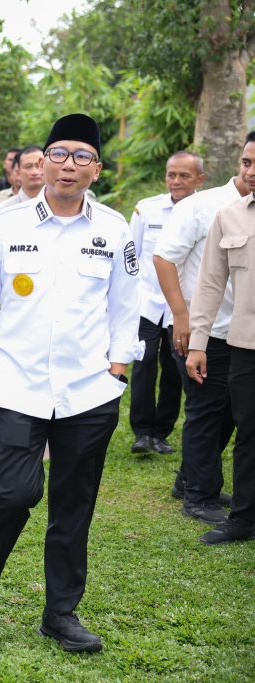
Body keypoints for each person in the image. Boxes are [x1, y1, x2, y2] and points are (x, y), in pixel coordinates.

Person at [0, 114, 140, 653]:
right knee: (15, 492)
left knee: (73, 505)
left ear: (96, 170)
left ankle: (60, 613)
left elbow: (125, 306)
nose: (68, 165)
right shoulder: (9, 225)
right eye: (59, 154)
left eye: (82, 156)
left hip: (90, 390)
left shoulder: (114, 229)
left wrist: (117, 370)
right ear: (42, 162)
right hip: (20, 384)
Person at [153, 137, 253, 524]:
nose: (250, 171)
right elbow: (164, 258)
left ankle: (190, 478)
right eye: (246, 162)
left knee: (227, 412)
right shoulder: (203, 205)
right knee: (206, 411)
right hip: (203, 332)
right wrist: (183, 317)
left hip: (240, 334)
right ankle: (199, 494)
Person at [186, 149, 255, 545]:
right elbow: (210, 284)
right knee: (248, 434)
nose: (251, 170)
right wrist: (198, 343)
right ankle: (243, 519)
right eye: (246, 162)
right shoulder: (229, 216)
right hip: (245, 346)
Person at [127, 152, 204, 456]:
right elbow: (131, 255)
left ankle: (161, 432)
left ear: (199, 179)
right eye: (172, 174)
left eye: (184, 176)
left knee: (174, 367)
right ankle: (142, 432)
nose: (176, 181)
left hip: (182, 307)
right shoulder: (146, 209)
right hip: (146, 303)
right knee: (144, 364)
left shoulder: (205, 211)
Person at [0, 146, 45, 218]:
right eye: (28, 166)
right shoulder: (2, 210)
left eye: (39, 165)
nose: (34, 172)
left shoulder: (58, 205)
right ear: (19, 171)